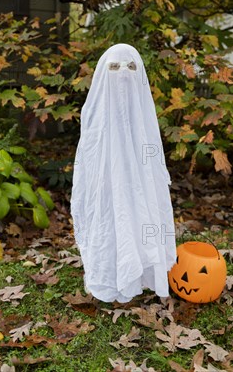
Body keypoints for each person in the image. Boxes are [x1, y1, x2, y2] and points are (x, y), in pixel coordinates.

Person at [71, 43, 176, 302]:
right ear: (102, 74)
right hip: (106, 182)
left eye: (131, 67)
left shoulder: (143, 118)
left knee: (142, 217)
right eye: (114, 68)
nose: (123, 74)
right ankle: (107, 274)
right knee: (109, 218)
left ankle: (143, 271)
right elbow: (88, 157)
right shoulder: (95, 116)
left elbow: (151, 155)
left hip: (139, 182)